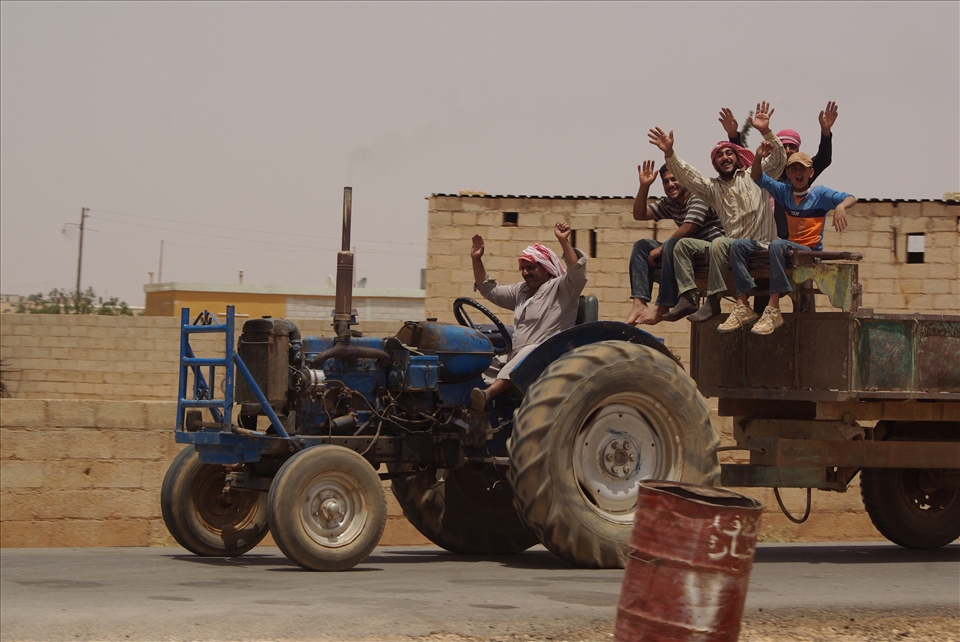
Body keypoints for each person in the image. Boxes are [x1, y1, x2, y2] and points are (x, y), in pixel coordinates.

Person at [647, 101, 787, 324]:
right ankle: (688, 297)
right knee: (682, 245)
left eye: (728, 153)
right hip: (731, 247)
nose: (724, 157)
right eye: (719, 155)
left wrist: (765, 131)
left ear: (736, 157)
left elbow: (779, 159)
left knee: (721, 242)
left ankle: (713, 301)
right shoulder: (713, 189)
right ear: (715, 164)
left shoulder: (755, 177)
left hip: (759, 245)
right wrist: (670, 154)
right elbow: (689, 176)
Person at [722, 143, 856, 334]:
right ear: (788, 172)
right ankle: (742, 304)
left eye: (802, 169)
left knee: (777, 244)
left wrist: (841, 207)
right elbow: (757, 177)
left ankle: (773, 308)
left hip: (808, 252)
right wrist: (758, 157)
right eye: (793, 169)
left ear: (811, 173)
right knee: (738, 246)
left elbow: (851, 197)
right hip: (788, 249)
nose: (798, 173)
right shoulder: (785, 191)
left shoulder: (819, 193)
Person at [469, 221, 587, 410]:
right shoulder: (521, 291)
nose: (525, 273)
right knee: (481, 359)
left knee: (530, 351)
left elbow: (578, 273)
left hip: (547, 357)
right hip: (515, 356)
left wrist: (563, 241)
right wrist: (476, 259)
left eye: (530, 267)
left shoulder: (562, 288)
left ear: (545, 267)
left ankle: (489, 394)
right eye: (523, 268)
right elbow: (489, 290)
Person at [719, 101, 838, 239]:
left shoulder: (800, 175)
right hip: (761, 236)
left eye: (792, 147)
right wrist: (733, 135)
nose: (787, 150)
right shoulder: (765, 171)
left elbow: (824, 159)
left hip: (789, 240)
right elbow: (745, 164)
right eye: (783, 146)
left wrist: (826, 132)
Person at [625, 160, 723, 326]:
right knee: (642, 246)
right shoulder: (670, 203)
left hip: (710, 248)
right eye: (666, 181)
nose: (670, 184)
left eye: (674, 179)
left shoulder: (699, 195)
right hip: (684, 250)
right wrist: (644, 186)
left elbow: (688, 228)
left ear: (684, 179)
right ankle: (639, 303)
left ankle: (663, 306)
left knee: (672, 244)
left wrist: (660, 249)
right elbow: (639, 214)